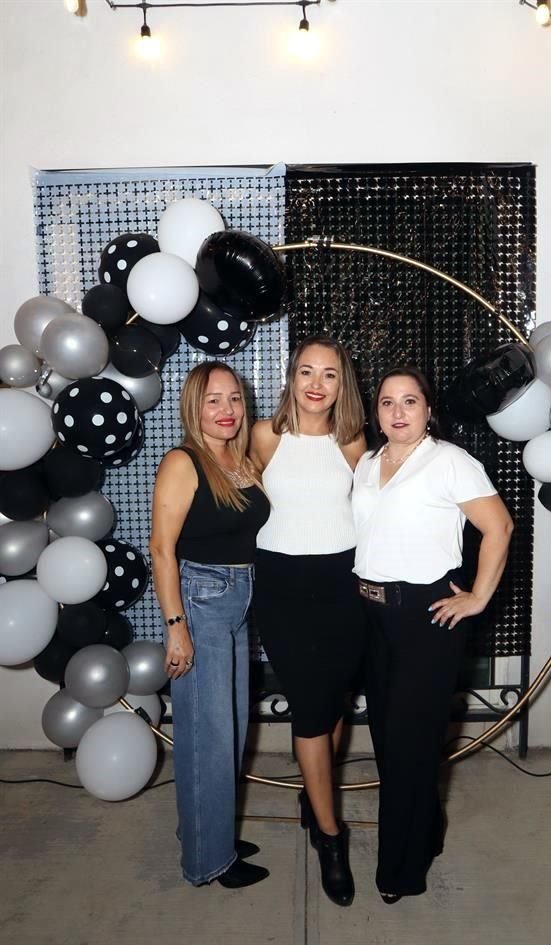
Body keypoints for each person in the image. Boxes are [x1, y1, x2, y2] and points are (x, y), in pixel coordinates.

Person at [352, 366, 514, 903]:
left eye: (410, 402)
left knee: (410, 748)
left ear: (428, 410)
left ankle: (401, 868)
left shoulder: (450, 462)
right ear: (376, 411)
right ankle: (427, 828)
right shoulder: (368, 463)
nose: (398, 412)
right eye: (387, 402)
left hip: (427, 618)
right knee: (389, 742)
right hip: (373, 617)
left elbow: (500, 526)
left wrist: (478, 596)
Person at [250, 335, 367, 907]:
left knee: (335, 698)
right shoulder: (264, 436)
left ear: (343, 385)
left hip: (344, 584)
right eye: (305, 371)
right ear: (291, 377)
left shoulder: (352, 442)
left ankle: (312, 795)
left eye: (329, 374)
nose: (316, 384)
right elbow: (234, 497)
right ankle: (330, 836)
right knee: (312, 708)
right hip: (283, 588)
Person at [149, 361, 271, 889]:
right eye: (213, 400)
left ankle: (209, 830)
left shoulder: (241, 459)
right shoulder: (183, 461)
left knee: (232, 728)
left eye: (234, 399)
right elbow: (161, 548)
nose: (226, 410)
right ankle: (208, 860)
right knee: (208, 737)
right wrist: (176, 625)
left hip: (239, 601)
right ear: (193, 406)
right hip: (201, 600)